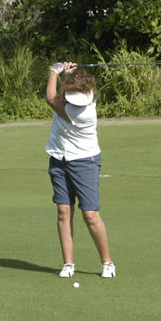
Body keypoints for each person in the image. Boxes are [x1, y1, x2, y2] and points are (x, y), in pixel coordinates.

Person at [44, 61, 115, 278]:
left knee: (90, 214)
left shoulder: (81, 112)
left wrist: (54, 71)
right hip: (59, 158)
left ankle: (107, 263)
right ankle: (68, 264)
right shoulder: (82, 92)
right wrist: (69, 74)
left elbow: (50, 98)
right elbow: (72, 89)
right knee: (63, 212)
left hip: (84, 162)